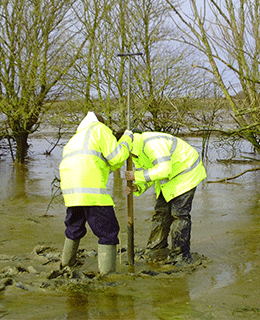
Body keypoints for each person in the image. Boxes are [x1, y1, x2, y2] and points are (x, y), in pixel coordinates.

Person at [59, 111, 133, 274]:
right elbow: (118, 157)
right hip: (92, 191)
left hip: (72, 193)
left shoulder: (75, 138)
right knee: (109, 231)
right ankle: (108, 276)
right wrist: (127, 139)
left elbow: (104, 163)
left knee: (74, 228)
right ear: (101, 122)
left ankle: (66, 265)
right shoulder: (100, 130)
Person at [125, 131, 207, 263]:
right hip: (169, 177)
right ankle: (157, 248)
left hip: (186, 172)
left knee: (179, 214)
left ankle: (181, 255)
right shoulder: (135, 152)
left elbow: (163, 169)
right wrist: (138, 187)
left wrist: (136, 176)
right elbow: (147, 173)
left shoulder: (151, 143)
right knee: (161, 213)